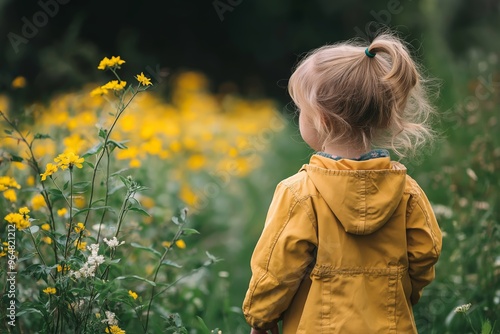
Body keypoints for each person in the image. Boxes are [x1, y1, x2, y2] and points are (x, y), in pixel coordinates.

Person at [242, 32, 443, 333]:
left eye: (301, 111)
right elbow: (425, 254)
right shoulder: (408, 192)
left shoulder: (299, 193)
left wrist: (261, 318)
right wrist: (402, 294)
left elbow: (276, 269)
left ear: (321, 119)